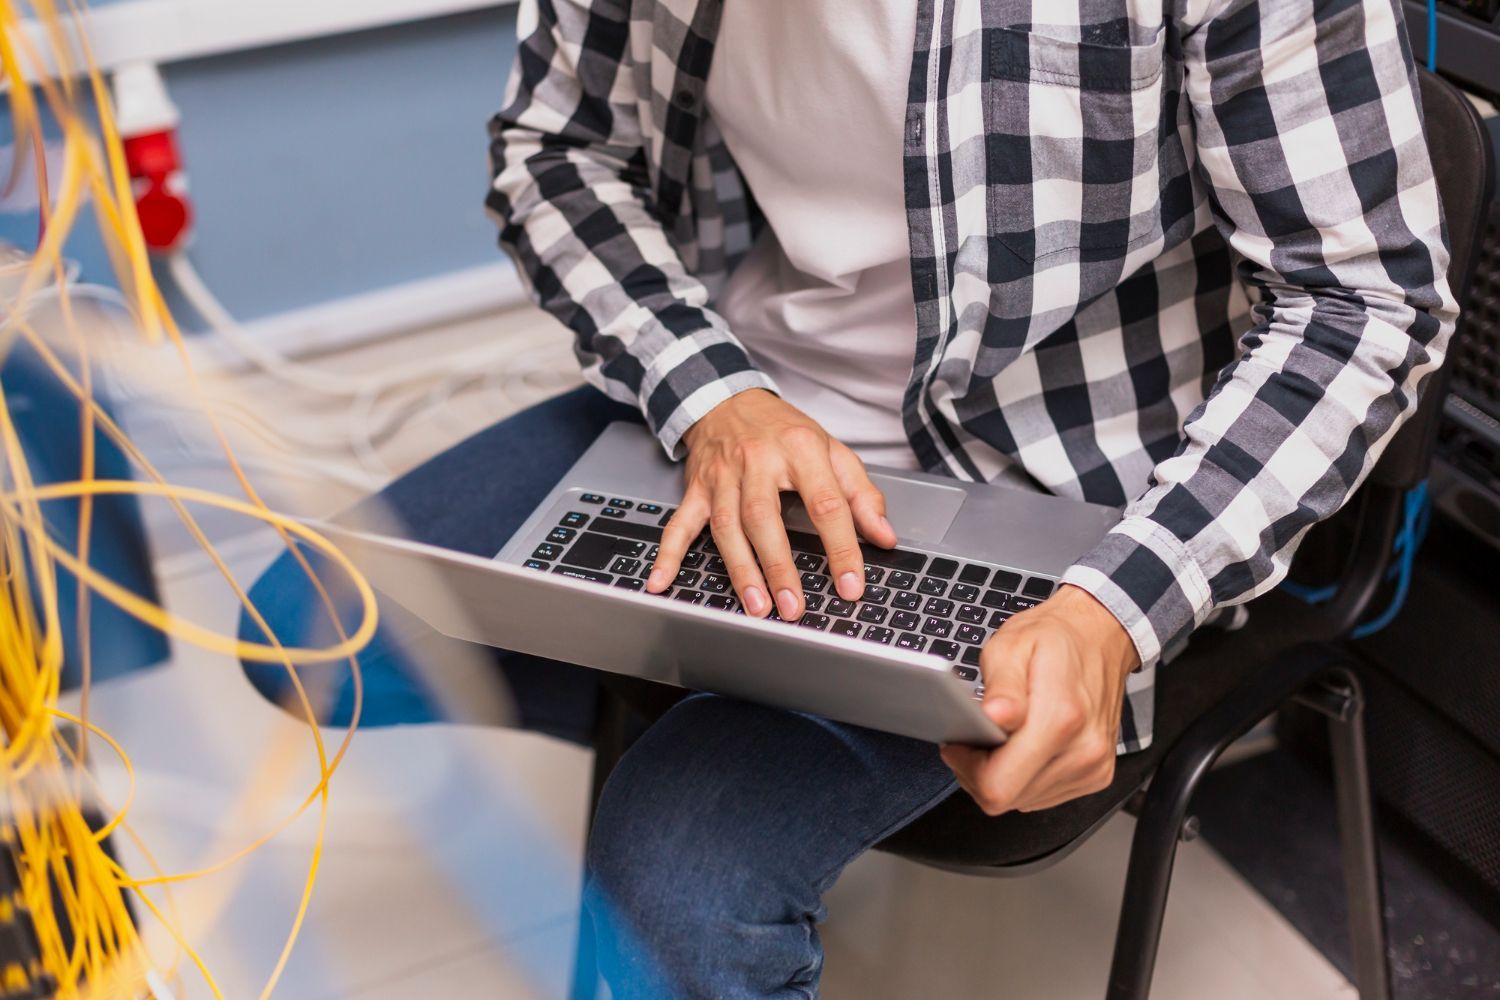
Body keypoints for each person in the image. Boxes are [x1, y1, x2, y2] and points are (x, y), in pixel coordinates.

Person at [243, 0, 1454, 995]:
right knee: (302, 632)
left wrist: (1111, 612)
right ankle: (737, 685)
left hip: (1054, 497)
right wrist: (713, 395)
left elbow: (1364, 306)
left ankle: (746, 731)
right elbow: (555, 151)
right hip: (730, 404)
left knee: (673, 898)